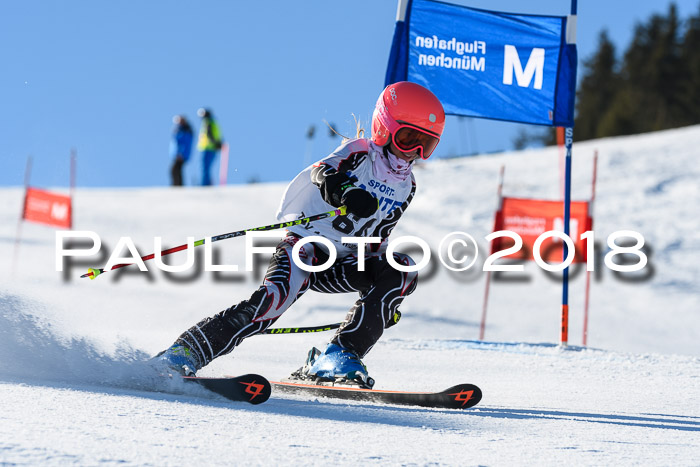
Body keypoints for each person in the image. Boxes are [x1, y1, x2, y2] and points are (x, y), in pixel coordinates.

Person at [156, 82, 445, 388]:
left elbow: (377, 239)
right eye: (408, 139)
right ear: (385, 128)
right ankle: (182, 353)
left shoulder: (407, 186)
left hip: (343, 264)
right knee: (272, 302)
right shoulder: (361, 153)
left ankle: (338, 356)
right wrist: (345, 191)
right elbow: (321, 173)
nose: (414, 152)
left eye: (425, 144)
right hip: (306, 250)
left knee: (403, 268)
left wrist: (383, 303)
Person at [196, 108, 223, 186]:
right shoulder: (213, 121)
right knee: (206, 167)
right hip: (211, 147)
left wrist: (214, 142)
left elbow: (210, 133)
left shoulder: (207, 122)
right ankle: (207, 182)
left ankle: (205, 184)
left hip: (208, 147)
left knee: (205, 167)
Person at [169, 115, 193, 186]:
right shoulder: (179, 130)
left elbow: (185, 144)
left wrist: (181, 153)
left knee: (175, 170)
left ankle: (178, 185)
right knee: (176, 170)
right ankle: (177, 185)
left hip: (181, 155)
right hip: (177, 154)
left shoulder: (186, 131)